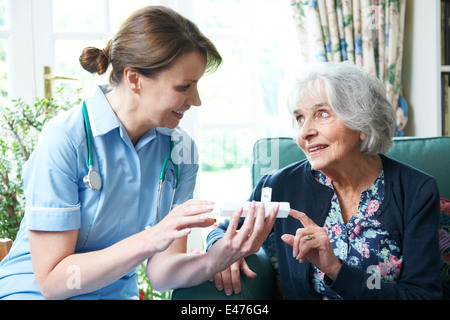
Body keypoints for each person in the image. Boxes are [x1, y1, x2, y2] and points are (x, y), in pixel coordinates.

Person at [0, 6, 278, 300]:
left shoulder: (179, 151)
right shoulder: (65, 139)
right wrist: (152, 238)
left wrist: (218, 258)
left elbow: (160, 274)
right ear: (134, 79)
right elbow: (54, 282)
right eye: (184, 86)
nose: (196, 100)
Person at [207, 61, 443, 299]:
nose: (304, 133)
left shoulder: (416, 191)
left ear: (362, 122)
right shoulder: (279, 186)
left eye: (322, 114)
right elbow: (222, 232)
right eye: (300, 118)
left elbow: (423, 295)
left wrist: (337, 270)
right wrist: (222, 254)